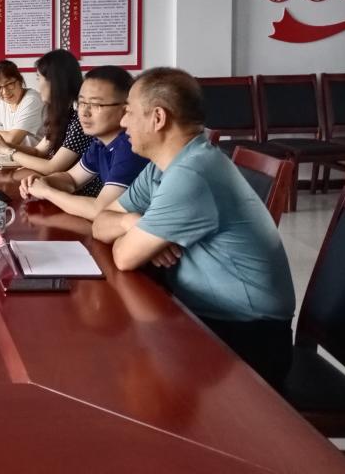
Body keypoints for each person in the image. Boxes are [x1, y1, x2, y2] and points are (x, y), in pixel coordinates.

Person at [92, 68, 295, 387]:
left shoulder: (193, 173)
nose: (123, 122)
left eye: (129, 111)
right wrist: (135, 222)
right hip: (202, 313)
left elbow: (124, 256)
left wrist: (136, 237)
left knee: (116, 361)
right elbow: (101, 222)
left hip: (247, 337)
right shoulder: (163, 166)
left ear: (158, 118)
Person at [19, 66, 147, 219]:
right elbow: (71, 179)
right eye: (81, 103)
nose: (84, 112)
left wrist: (47, 192)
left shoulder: (130, 146)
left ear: (125, 109)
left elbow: (100, 210)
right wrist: (44, 181)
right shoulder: (100, 143)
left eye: (96, 105)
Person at [0, 50, 96, 192]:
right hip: (59, 186)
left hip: (79, 193)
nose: (38, 85)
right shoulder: (61, 112)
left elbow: (52, 167)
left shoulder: (80, 118)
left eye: (39, 78)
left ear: (55, 82)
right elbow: (38, 151)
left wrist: (9, 151)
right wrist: (4, 145)